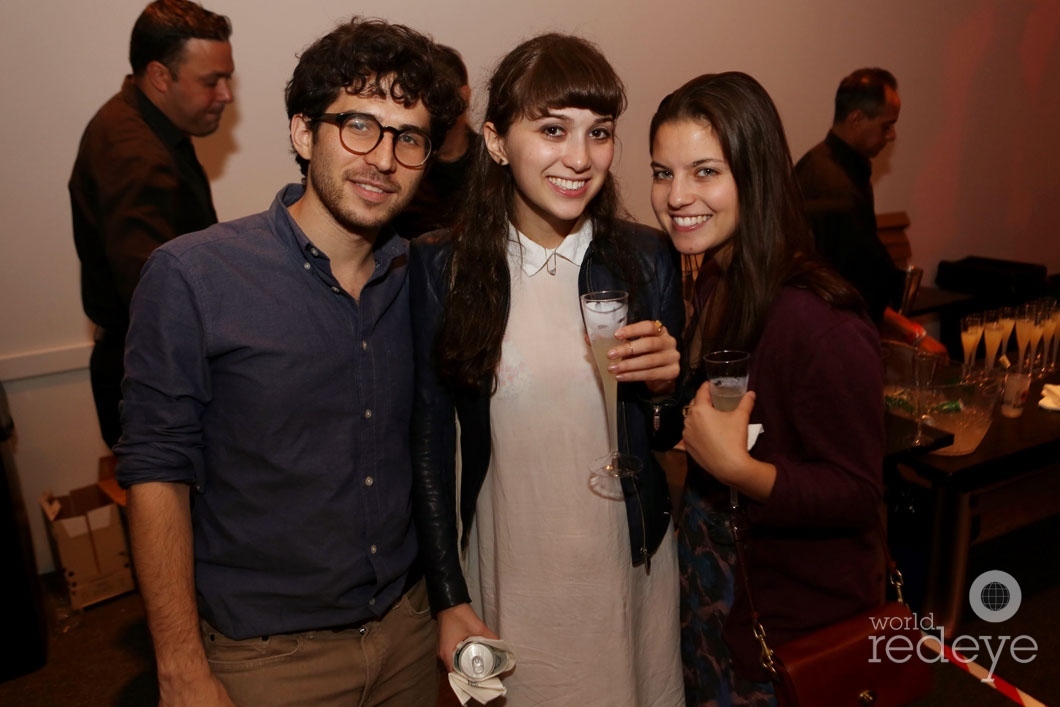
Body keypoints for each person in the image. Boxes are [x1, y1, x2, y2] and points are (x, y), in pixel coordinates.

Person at [114, 18, 464, 706]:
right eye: (358, 125)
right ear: (304, 132)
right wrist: (180, 665)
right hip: (267, 660)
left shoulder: (421, 278)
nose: (383, 158)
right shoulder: (194, 277)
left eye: (409, 137)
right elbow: (156, 472)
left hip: (406, 633)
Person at [410, 33, 685, 705]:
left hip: (624, 562)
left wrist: (665, 387)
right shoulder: (443, 268)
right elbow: (426, 443)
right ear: (498, 141)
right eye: (554, 129)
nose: (580, 157)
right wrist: (449, 594)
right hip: (511, 560)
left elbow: (665, 430)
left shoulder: (646, 259)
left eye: (600, 133)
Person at [648, 72, 886, 705]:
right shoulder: (712, 282)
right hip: (718, 600)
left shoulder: (818, 318)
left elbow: (858, 494)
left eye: (704, 172)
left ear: (755, 175)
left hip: (784, 628)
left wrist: (741, 471)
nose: (676, 196)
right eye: (662, 172)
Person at [69, 0, 234, 448]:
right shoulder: (134, 154)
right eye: (211, 82)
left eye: (227, 78)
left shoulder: (145, 122)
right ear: (161, 76)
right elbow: (156, 296)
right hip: (153, 385)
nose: (226, 95)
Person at [794, 68, 946, 355]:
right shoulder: (834, 189)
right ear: (856, 119)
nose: (891, 135)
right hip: (831, 340)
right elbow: (850, 287)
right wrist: (913, 334)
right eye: (886, 126)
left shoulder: (824, 163)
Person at [392, 44, 478, 238]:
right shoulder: (402, 160)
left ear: (464, 95)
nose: (431, 103)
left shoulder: (492, 161)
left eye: (440, 91)